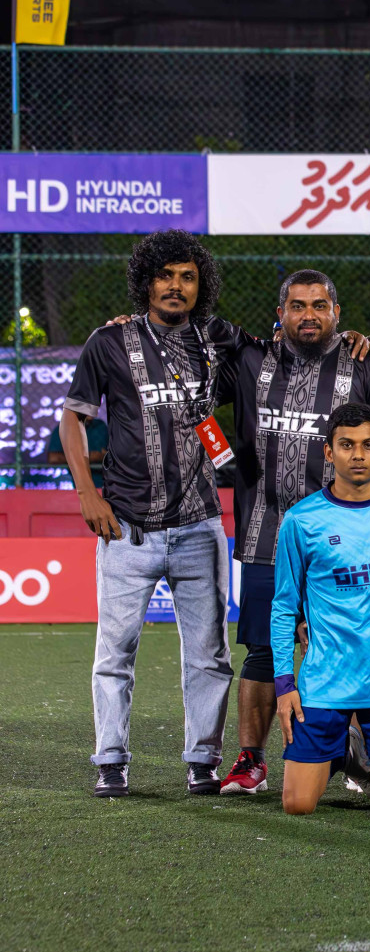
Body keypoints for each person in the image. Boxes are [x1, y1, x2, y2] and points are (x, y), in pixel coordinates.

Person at [61, 230, 245, 798]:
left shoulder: (217, 337)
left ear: (200, 285)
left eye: (187, 276)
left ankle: (202, 762)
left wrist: (357, 339)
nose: (175, 286)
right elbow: (74, 418)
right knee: (114, 653)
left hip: (200, 525)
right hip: (127, 528)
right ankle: (111, 761)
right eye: (165, 275)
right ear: (147, 280)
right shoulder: (109, 342)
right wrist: (87, 494)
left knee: (210, 652)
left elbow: (284, 354)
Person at [218, 269, 370, 797]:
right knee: (262, 650)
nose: (309, 315)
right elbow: (190, 400)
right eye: (297, 306)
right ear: (279, 315)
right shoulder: (249, 360)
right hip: (266, 535)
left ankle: (353, 755)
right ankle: (250, 759)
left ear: (336, 313)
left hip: (349, 544)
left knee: (352, 644)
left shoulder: (367, 365)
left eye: (319, 306)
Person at [271, 403, 370, 815]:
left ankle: (356, 743)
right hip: (324, 685)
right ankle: (341, 742)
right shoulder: (301, 520)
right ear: (329, 452)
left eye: (367, 445)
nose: (357, 455)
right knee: (298, 805)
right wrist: (285, 685)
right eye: (346, 445)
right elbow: (284, 606)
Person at [46, 407, 108, 487]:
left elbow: (113, 454)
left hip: (104, 483)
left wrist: (103, 456)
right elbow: (53, 458)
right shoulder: (64, 428)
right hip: (73, 484)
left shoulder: (101, 426)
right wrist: (88, 457)